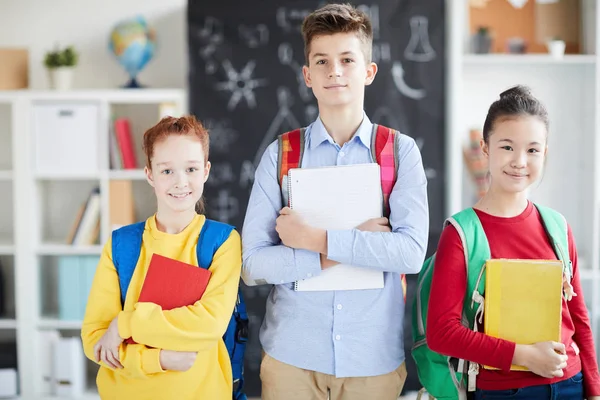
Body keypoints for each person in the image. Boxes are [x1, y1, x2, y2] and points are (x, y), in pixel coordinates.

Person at [241, 3, 429, 400]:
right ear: (307, 75)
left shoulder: (399, 152)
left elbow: (411, 253)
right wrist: (342, 249)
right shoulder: (280, 155)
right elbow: (253, 265)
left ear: (368, 71)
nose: (335, 71)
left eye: (347, 59)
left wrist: (315, 238)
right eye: (321, 61)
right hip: (291, 360)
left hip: (372, 363)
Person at [427, 85, 600, 399]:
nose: (520, 161)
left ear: (544, 154)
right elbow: (441, 333)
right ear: (485, 148)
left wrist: (595, 390)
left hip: (570, 385)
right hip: (503, 390)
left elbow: (579, 318)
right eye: (507, 147)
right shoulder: (462, 232)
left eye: (532, 150)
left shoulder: (558, 226)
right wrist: (524, 356)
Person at [81, 115, 242, 399]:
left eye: (191, 169)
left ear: (205, 171)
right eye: (167, 171)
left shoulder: (221, 242)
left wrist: (125, 324)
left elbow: (209, 324)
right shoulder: (122, 244)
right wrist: (159, 359)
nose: (181, 182)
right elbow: (95, 339)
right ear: (149, 174)